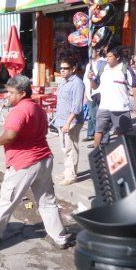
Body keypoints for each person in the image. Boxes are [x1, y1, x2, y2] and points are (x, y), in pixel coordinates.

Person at [0, 75, 74, 250]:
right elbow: (44, 131)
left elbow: (10, 136)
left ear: (22, 93)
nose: (7, 95)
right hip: (44, 159)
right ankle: (60, 238)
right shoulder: (37, 108)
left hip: (24, 163)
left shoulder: (19, 111)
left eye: (11, 92)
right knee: (47, 201)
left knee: (8, 199)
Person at [91, 46, 136, 148]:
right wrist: (91, 79)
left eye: (110, 56)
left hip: (120, 108)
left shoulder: (125, 69)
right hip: (104, 106)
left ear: (117, 57)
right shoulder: (103, 69)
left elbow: (134, 87)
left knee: (122, 134)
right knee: (98, 131)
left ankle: (123, 152)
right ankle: (96, 151)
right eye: (107, 56)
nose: (107, 59)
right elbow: (95, 86)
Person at [54, 57, 85, 185]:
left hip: (71, 121)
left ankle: (71, 175)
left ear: (73, 69)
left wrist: (68, 122)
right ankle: (68, 170)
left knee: (71, 148)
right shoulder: (63, 82)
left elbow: (77, 107)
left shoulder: (77, 83)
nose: (62, 70)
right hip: (61, 120)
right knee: (65, 148)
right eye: (61, 68)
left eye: (65, 68)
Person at [83, 49, 106, 143]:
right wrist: (85, 93)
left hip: (97, 92)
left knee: (97, 117)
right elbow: (85, 79)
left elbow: (100, 79)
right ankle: (91, 134)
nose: (89, 53)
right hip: (89, 92)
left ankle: (101, 138)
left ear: (98, 52)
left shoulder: (102, 63)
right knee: (91, 115)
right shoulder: (89, 64)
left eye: (91, 51)